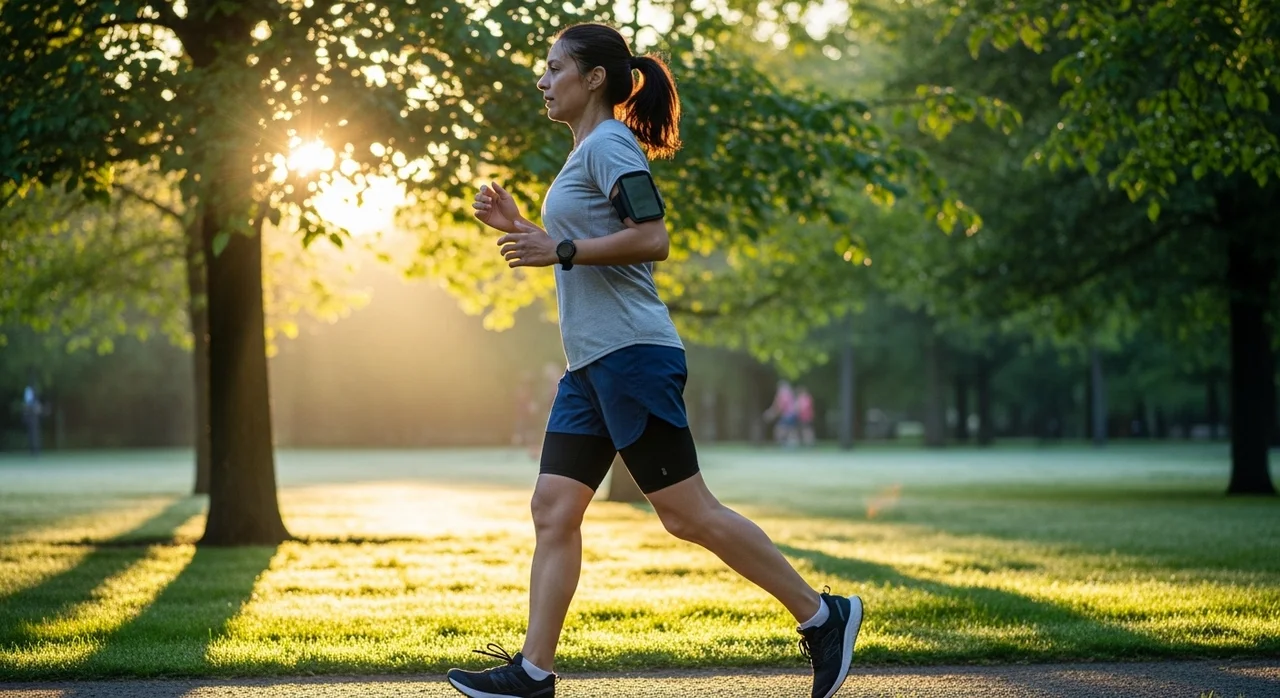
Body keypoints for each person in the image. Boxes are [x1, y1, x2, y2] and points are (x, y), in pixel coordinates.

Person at [448, 22, 863, 698]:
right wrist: (527, 231)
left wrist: (557, 248)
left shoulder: (611, 145)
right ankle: (533, 670)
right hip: (590, 366)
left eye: (555, 68)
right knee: (553, 509)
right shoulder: (586, 150)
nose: (542, 80)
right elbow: (580, 248)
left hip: (632, 355)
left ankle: (823, 617)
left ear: (593, 78)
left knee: (685, 513)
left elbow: (653, 238)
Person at [764, 379, 799, 447]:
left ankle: (783, 444)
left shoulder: (782, 394)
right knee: (791, 430)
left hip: (787, 415)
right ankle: (792, 445)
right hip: (793, 414)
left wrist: (771, 414)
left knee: (779, 430)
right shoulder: (790, 393)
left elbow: (780, 406)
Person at [22, 384, 42, 457]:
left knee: (34, 435)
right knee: (32, 435)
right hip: (31, 419)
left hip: (33, 419)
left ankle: (35, 450)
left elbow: (37, 409)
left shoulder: (33, 398)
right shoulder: (29, 395)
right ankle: (33, 451)